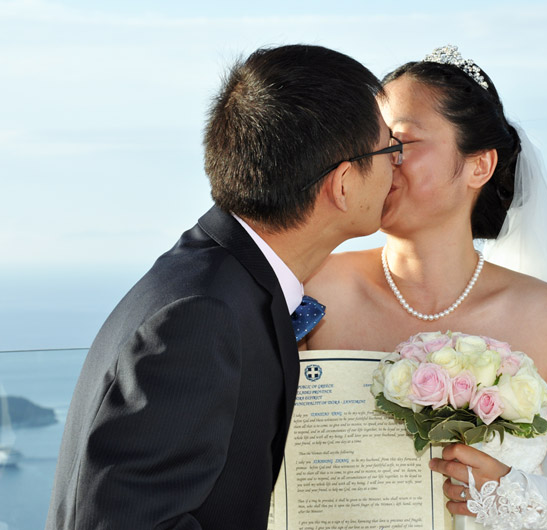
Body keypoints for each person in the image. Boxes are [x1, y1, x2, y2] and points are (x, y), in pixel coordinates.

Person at [46, 44, 397, 530]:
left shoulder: (221, 281)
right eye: (389, 149)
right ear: (342, 185)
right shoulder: (200, 316)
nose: (396, 165)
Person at [304, 45, 547, 529]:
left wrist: (509, 493)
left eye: (400, 143)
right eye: (372, 143)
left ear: (479, 166)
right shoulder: (311, 291)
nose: (380, 161)